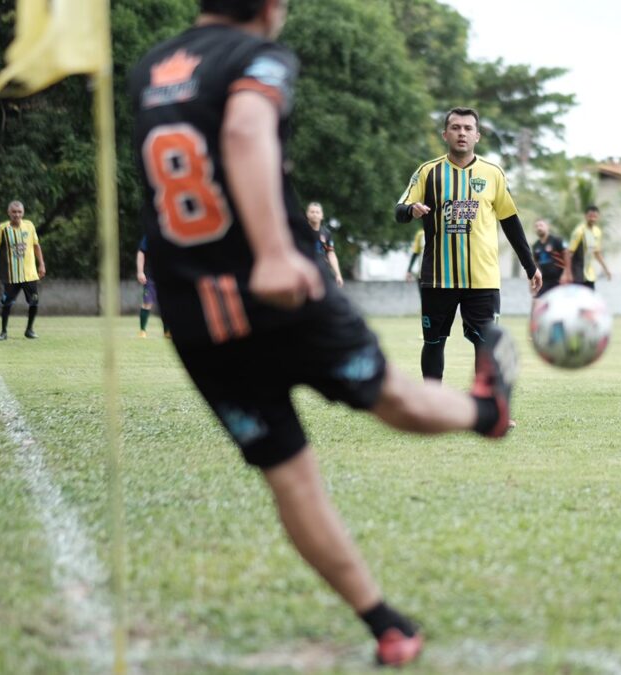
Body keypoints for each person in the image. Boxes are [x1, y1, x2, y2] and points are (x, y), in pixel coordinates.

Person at [129, 1, 519, 666]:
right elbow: (248, 131)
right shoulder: (259, 56)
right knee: (391, 397)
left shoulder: (148, 69)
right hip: (282, 295)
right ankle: (486, 409)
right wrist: (276, 250)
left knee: (291, 478)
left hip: (195, 314)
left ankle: (386, 623)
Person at [394, 106, 540, 383]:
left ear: (477, 135)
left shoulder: (493, 173)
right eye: (456, 127)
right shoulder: (428, 172)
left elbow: (511, 222)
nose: (462, 133)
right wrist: (412, 209)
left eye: (468, 128)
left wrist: (530, 266)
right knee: (434, 342)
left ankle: (486, 409)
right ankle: (433, 405)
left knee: (487, 346)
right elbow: (399, 209)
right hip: (438, 278)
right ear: (445, 134)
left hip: (482, 279)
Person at [0, 200, 45, 340]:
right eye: (14, 212)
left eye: (19, 212)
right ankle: (3, 332)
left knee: (34, 301)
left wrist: (41, 264)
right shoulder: (3, 228)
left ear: (23, 213)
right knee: (6, 303)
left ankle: (29, 330)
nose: (17, 215)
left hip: (29, 274)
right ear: (9, 213)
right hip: (12, 275)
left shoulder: (29, 226)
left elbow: (36, 245)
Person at [560, 205, 611, 289]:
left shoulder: (597, 232)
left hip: (589, 275)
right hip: (577, 274)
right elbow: (570, 253)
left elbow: (597, 253)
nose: (592, 219)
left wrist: (606, 269)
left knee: (590, 300)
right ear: (585, 216)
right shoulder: (579, 231)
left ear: (598, 217)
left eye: (595, 216)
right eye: (590, 216)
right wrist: (566, 273)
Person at [135, 235, 168, 338]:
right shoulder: (152, 233)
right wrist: (140, 272)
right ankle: (142, 331)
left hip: (170, 277)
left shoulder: (175, 230)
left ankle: (167, 332)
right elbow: (141, 252)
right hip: (152, 276)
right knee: (147, 302)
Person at [306, 201, 343, 287]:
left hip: (322, 271)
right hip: (305, 271)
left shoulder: (326, 233)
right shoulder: (301, 231)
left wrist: (338, 274)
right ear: (307, 214)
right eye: (312, 212)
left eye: (317, 212)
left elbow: (331, 254)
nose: (314, 214)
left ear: (322, 216)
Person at [530, 219, 567, 297]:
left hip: (558, 280)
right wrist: (533, 283)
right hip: (544, 281)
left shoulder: (557, 241)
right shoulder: (535, 246)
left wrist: (566, 274)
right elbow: (535, 265)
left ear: (548, 227)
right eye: (536, 226)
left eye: (541, 225)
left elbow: (567, 256)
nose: (539, 228)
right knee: (539, 302)